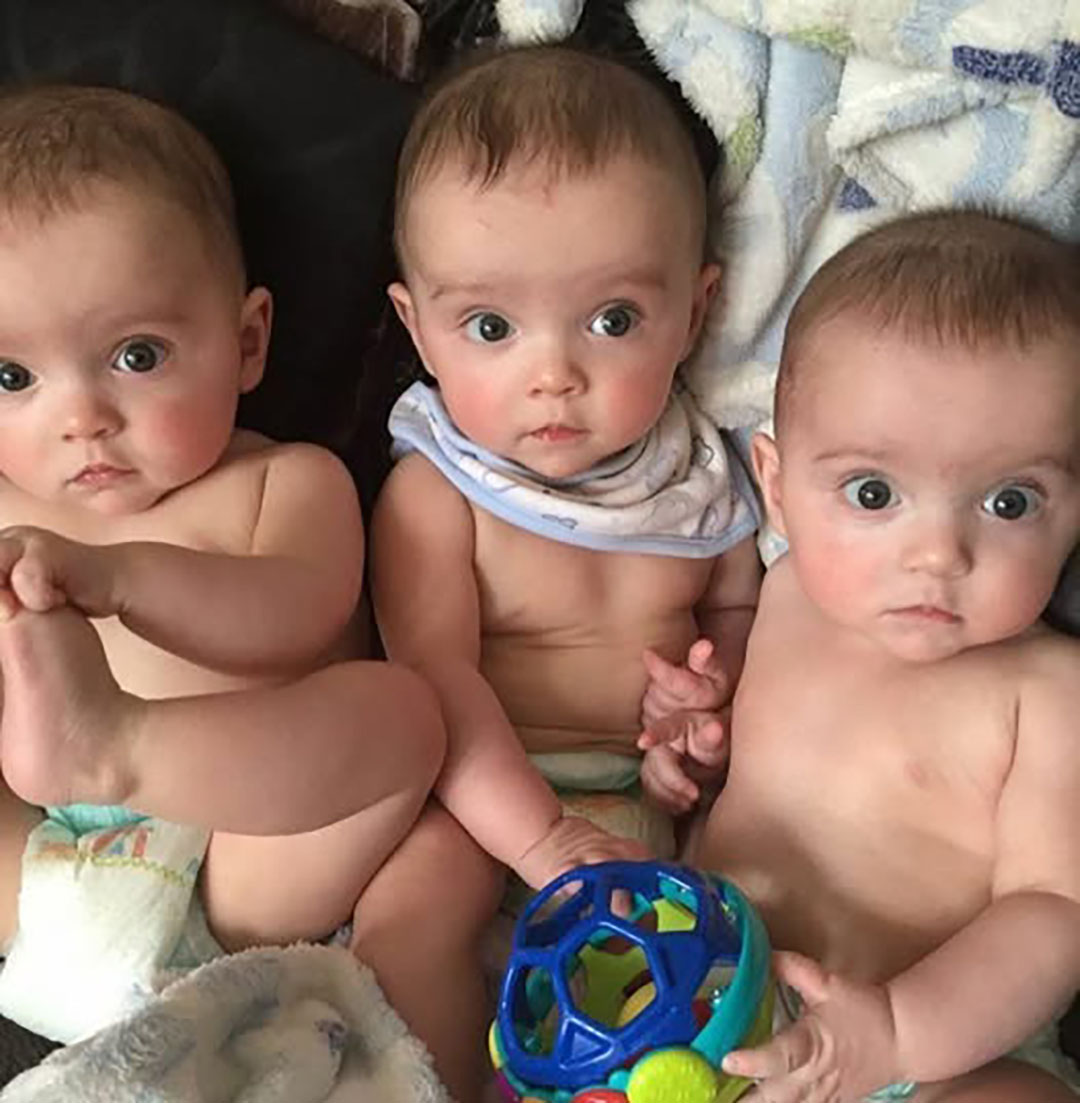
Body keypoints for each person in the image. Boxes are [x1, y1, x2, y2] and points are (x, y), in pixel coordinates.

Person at [0, 83, 492, 1099]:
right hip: (37, 874)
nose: (82, 417)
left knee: (403, 716)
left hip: (242, 876)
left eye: (137, 355)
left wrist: (119, 577)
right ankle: (99, 751)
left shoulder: (287, 481)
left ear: (248, 340)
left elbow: (296, 615)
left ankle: (121, 742)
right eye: (13, 378)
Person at [683, 210, 1080, 1101]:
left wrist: (899, 1031)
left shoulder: (1051, 694)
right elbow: (746, 782)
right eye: (873, 493)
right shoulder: (783, 597)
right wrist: (689, 749)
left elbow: (1055, 910)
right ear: (778, 489)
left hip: (931, 1057)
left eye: (1011, 502)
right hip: (710, 1019)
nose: (937, 554)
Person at [372, 45, 762, 898]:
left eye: (613, 319)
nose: (553, 375)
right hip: (482, 808)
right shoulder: (439, 496)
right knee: (421, 893)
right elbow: (434, 683)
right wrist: (542, 837)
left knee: (759, 882)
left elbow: (738, 615)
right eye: (491, 327)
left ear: (695, 313)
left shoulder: (699, 482)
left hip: (656, 806)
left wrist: (706, 708)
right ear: (418, 329)